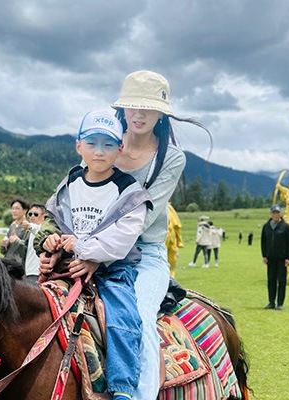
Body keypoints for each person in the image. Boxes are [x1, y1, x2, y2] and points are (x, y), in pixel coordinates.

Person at [36, 110, 151, 400]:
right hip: (66, 266)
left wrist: (82, 248)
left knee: (122, 316)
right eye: (92, 143)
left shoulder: (129, 191)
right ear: (79, 147)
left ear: (120, 149)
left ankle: (123, 389)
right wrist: (46, 243)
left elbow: (121, 240)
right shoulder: (70, 182)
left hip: (112, 270)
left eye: (108, 144)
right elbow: (53, 218)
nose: (99, 151)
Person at [110, 70, 210, 399]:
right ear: (122, 109)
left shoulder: (171, 158)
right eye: (132, 106)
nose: (139, 114)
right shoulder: (103, 145)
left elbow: (143, 216)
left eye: (147, 108)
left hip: (144, 255)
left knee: (138, 315)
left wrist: (93, 248)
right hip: (90, 247)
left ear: (161, 113)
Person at [261, 204, 289, 311]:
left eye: (277, 213)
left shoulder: (286, 227)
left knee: (281, 281)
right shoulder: (266, 227)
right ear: (271, 214)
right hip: (270, 259)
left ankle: (280, 303)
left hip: (282, 259)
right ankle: (271, 302)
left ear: (280, 213)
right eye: (273, 213)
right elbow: (263, 242)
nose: (275, 215)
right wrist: (264, 255)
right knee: (271, 281)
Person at [0, 199, 30, 263]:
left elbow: (28, 250)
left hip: (19, 266)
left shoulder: (28, 227)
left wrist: (16, 241)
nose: (14, 211)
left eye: (17, 208)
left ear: (25, 210)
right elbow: (4, 251)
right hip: (8, 263)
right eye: (12, 208)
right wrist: (3, 245)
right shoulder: (12, 226)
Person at [22, 203, 46, 280]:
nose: (32, 216)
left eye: (36, 214)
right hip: (28, 272)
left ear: (43, 217)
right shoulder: (30, 231)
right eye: (30, 214)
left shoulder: (43, 230)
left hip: (37, 272)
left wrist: (29, 226)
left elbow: (36, 229)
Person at [165, 203, 183, 278]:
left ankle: (170, 279)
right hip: (162, 241)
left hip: (171, 240)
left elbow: (177, 225)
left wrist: (179, 240)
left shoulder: (168, 208)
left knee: (171, 262)